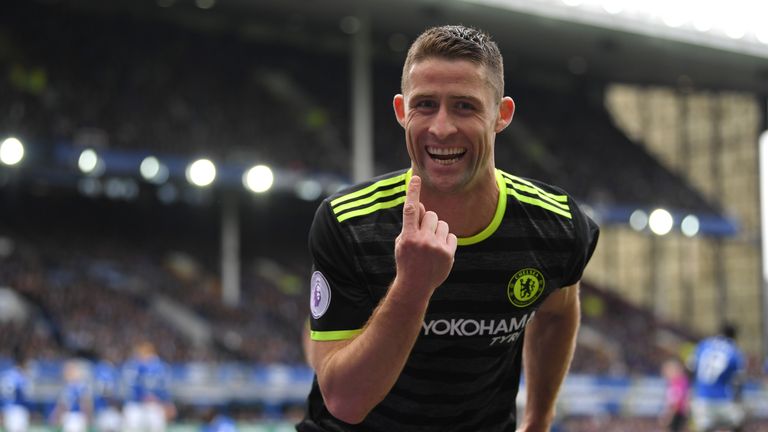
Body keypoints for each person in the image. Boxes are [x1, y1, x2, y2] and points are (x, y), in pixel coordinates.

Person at [298, 25, 599, 432]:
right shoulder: (347, 222)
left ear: (501, 115)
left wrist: (538, 420)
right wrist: (414, 286)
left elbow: (558, 314)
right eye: (425, 105)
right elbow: (343, 402)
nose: (441, 128)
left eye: (464, 106)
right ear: (401, 110)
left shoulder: (556, 224)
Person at [688, 323, 746, 432]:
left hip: (702, 398)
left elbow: (690, 369)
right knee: (738, 422)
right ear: (734, 336)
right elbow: (738, 382)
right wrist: (738, 401)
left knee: (705, 428)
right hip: (723, 399)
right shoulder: (734, 351)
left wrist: (691, 392)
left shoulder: (703, 345)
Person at [122, 341, 176, 432]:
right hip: (135, 403)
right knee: (132, 426)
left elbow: (164, 388)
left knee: (157, 426)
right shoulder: (133, 366)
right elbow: (130, 386)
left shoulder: (161, 367)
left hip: (154, 404)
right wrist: (143, 396)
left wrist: (167, 403)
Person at [49, 359, 93, 432]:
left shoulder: (81, 387)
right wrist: (55, 416)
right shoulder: (67, 386)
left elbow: (86, 405)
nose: (66, 373)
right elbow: (61, 406)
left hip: (77, 417)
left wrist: (88, 418)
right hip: (69, 417)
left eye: (69, 371)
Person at [0, 349, 29, 432]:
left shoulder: (5, 374)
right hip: (18, 410)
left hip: (7, 410)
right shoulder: (20, 376)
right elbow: (23, 395)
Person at [659, 357, 690, 432]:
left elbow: (677, 403)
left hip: (677, 415)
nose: (664, 373)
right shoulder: (673, 383)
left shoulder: (679, 383)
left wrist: (669, 416)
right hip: (677, 415)